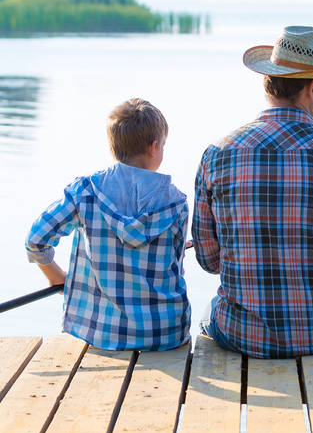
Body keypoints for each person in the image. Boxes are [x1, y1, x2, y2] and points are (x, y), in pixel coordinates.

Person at [193, 25, 313, 358]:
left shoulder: (217, 153)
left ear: (269, 80)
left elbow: (209, 261)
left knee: (210, 312)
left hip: (241, 334)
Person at [25, 98, 190, 351]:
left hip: (100, 333)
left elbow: (36, 240)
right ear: (154, 147)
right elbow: (175, 269)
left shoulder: (84, 193)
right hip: (164, 334)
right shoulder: (176, 202)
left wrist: (55, 275)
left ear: (113, 148)